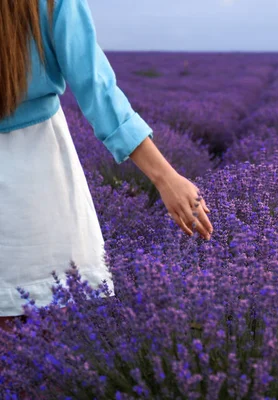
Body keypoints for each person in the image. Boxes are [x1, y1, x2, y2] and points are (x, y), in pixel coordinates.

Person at [0, 0, 213, 332]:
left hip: (36, 179)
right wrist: (164, 177)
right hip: (38, 179)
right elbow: (98, 91)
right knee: (41, 343)